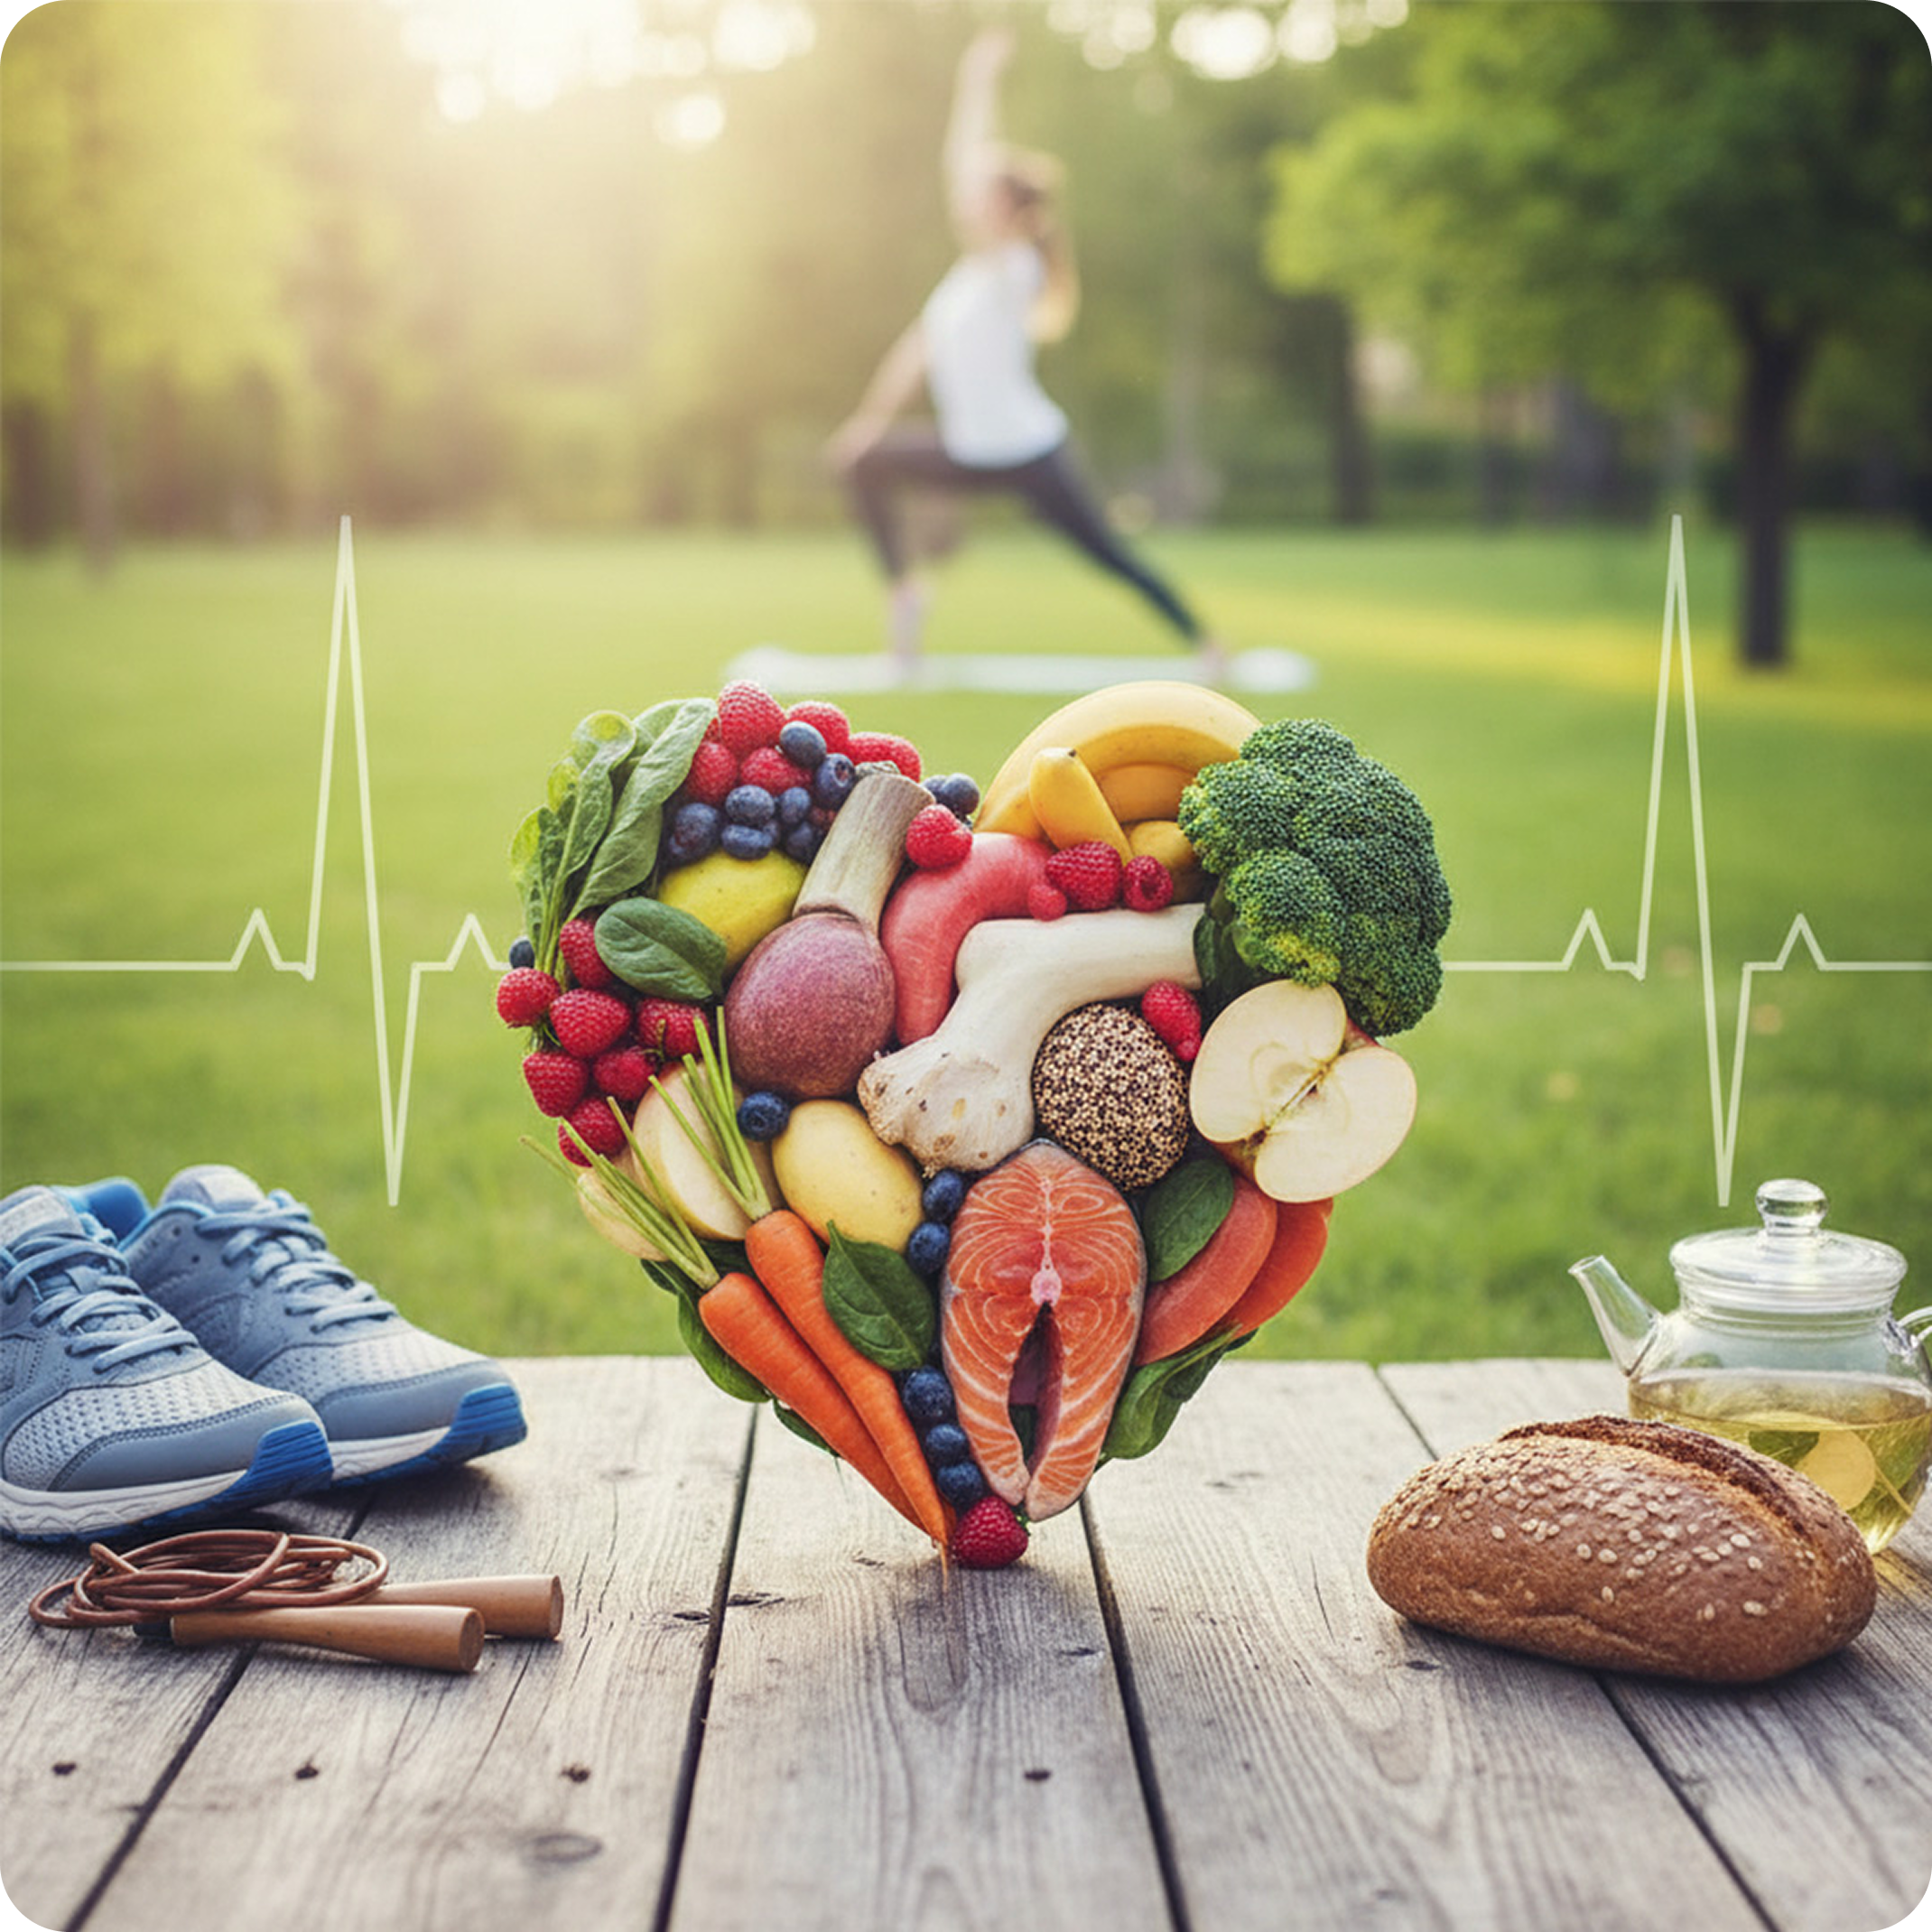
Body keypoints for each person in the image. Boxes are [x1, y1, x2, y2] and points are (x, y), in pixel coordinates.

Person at [827, 27, 1222, 678]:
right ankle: (906, 594)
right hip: (966, 449)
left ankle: (1205, 642)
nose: (966, 199)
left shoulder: (1016, 268)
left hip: (1029, 452)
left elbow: (964, 158)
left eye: (983, 194)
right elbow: (912, 356)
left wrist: (979, 83)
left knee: (1107, 554)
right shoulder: (962, 283)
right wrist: (870, 420)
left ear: (1008, 211)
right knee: (860, 461)